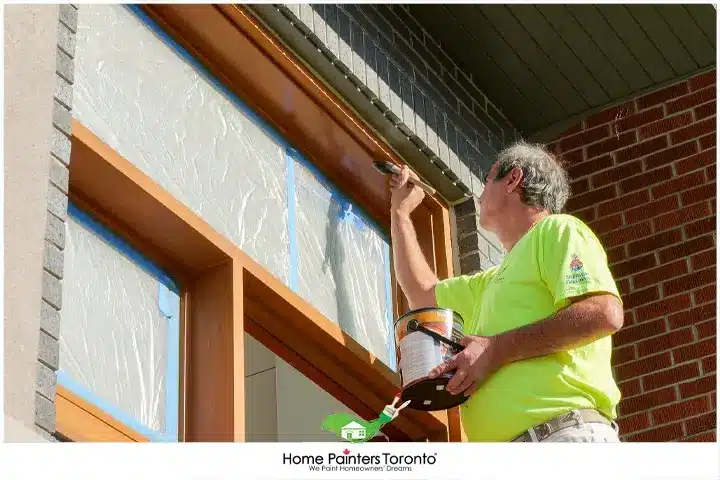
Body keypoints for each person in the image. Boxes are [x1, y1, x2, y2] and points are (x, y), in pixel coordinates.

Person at [389, 141, 624, 443]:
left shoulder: (558, 230)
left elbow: (603, 313)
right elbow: (422, 294)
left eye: (487, 181)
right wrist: (401, 213)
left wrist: (496, 349)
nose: (481, 193)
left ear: (512, 179)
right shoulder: (490, 283)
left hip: (562, 438)